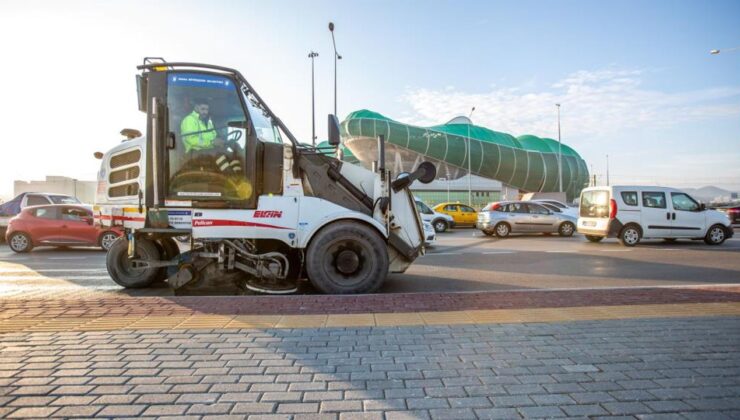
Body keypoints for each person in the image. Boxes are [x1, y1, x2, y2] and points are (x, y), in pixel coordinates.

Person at [180, 98, 241, 173]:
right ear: (196, 107)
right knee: (219, 155)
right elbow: (191, 140)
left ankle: (238, 176)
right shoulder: (189, 120)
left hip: (208, 151)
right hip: (194, 153)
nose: (205, 112)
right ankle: (230, 177)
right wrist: (211, 142)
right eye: (203, 109)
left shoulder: (208, 122)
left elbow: (214, 137)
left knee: (231, 155)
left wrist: (223, 142)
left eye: (207, 109)